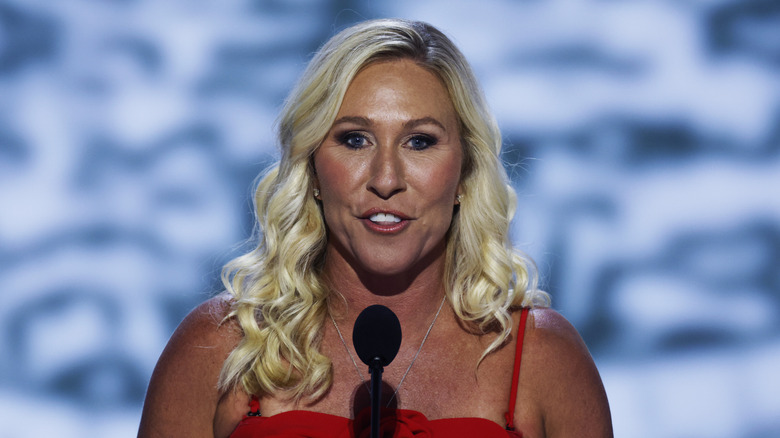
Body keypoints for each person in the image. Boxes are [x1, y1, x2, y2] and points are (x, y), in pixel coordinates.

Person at [138, 18, 612, 438]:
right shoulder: (220, 347)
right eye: (355, 139)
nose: (386, 179)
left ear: (465, 174)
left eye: (420, 142)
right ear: (313, 169)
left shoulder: (542, 359)